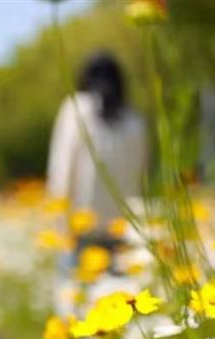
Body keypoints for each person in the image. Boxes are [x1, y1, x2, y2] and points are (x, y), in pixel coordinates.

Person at [47, 51, 148, 245]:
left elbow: (62, 168)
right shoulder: (135, 121)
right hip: (123, 226)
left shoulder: (75, 108)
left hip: (81, 225)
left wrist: (59, 222)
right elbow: (142, 172)